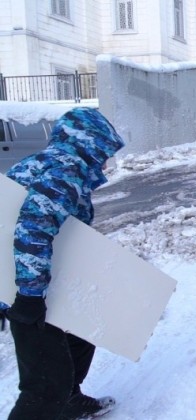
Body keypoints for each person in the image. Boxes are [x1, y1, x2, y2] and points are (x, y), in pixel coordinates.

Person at [0, 107, 125, 420]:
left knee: (81, 333)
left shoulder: (55, 162)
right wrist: (29, 297)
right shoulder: (65, 167)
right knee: (45, 384)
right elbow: (34, 227)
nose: (106, 160)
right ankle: (58, 397)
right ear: (89, 142)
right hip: (24, 286)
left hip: (41, 278)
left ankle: (70, 401)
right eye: (104, 150)